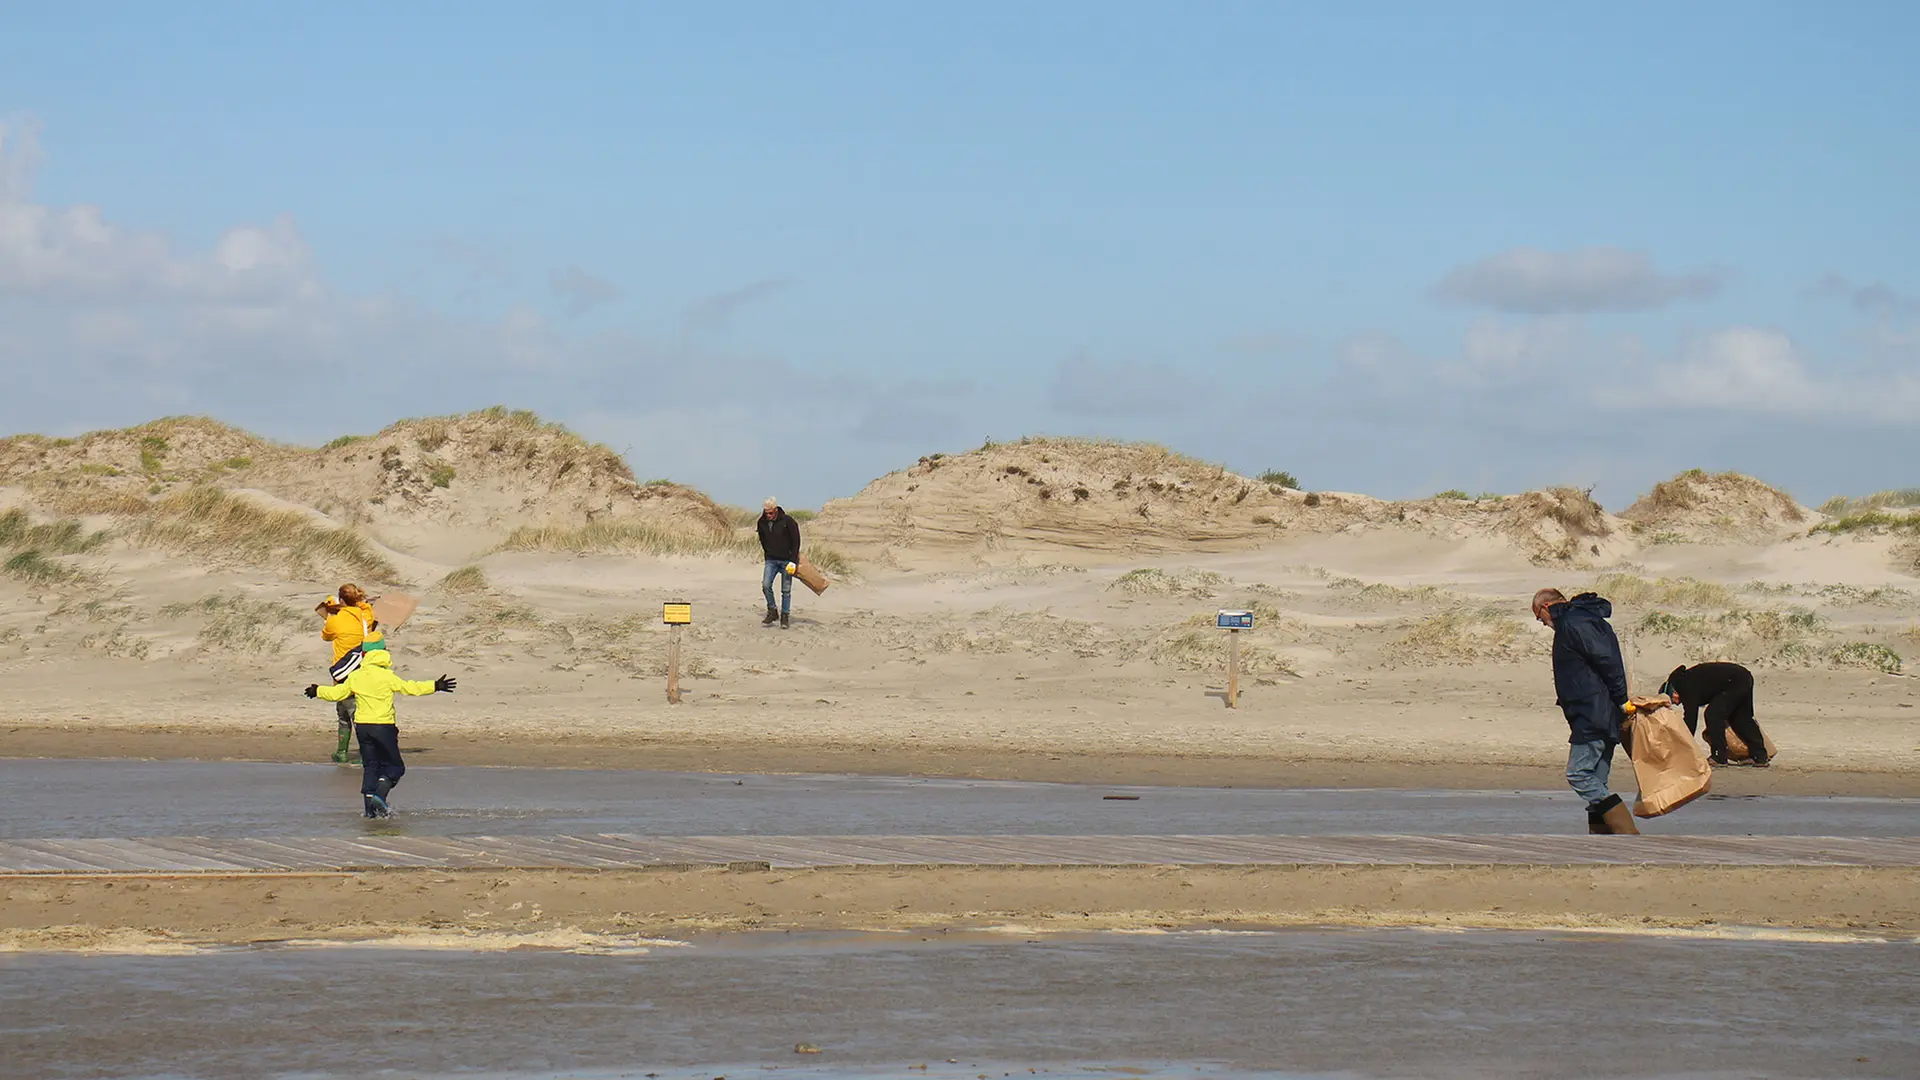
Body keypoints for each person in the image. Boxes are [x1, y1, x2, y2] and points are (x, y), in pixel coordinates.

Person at [305, 640, 456, 818]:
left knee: (371, 766)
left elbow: (338, 693)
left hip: (362, 728)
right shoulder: (387, 676)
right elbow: (410, 688)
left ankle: (370, 811)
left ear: (364, 655)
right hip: (383, 727)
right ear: (383, 652)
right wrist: (435, 685)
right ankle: (379, 795)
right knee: (395, 768)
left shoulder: (356, 676)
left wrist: (318, 691)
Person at [1532, 587, 1640, 835]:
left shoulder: (1573, 622)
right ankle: (1603, 840)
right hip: (1599, 711)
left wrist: (1622, 700)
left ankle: (1627, 833)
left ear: (1546, 607)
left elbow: (1608, 661)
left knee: (1579, 774)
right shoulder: (1582, 620)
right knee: (1598, 780)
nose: (1543, 624)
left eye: (1540, 618)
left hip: (1593, 712)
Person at [316, 584, 384, 763]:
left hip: (342, 671)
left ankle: (350, 752)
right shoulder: (365, 616)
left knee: (347, 714)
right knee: (356, 713)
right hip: (361, 670)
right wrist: (362, 604)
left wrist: (332, 607)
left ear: (342, 600)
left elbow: (326, 636)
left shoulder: (335, 620)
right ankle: (347, 752)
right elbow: (367, 611)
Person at [1662, 662, 1770, 767]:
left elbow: (1691, 719)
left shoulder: (1684, 685)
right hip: (1742, 676)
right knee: (1741, 718)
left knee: (1713, 715)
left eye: (1672, 700)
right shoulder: (1685, 680)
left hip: (1735, 680)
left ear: (1673, 692)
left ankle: (1719, 757)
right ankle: (1760, 756)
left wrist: (1682, 743)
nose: (1676, 703)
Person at [756, 497, 802, 629]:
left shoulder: (788, 521)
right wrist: (767, 553)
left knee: (785, 590)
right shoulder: (761, 522)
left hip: (787, 561)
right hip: (771, 560)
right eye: (766, 513)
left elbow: (796, 541)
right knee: (766, 586)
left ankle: (785, 616)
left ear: (776, 510)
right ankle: (772, 611)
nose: (768, 515)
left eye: (770, 513)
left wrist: (793, 561)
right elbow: (762, 540)